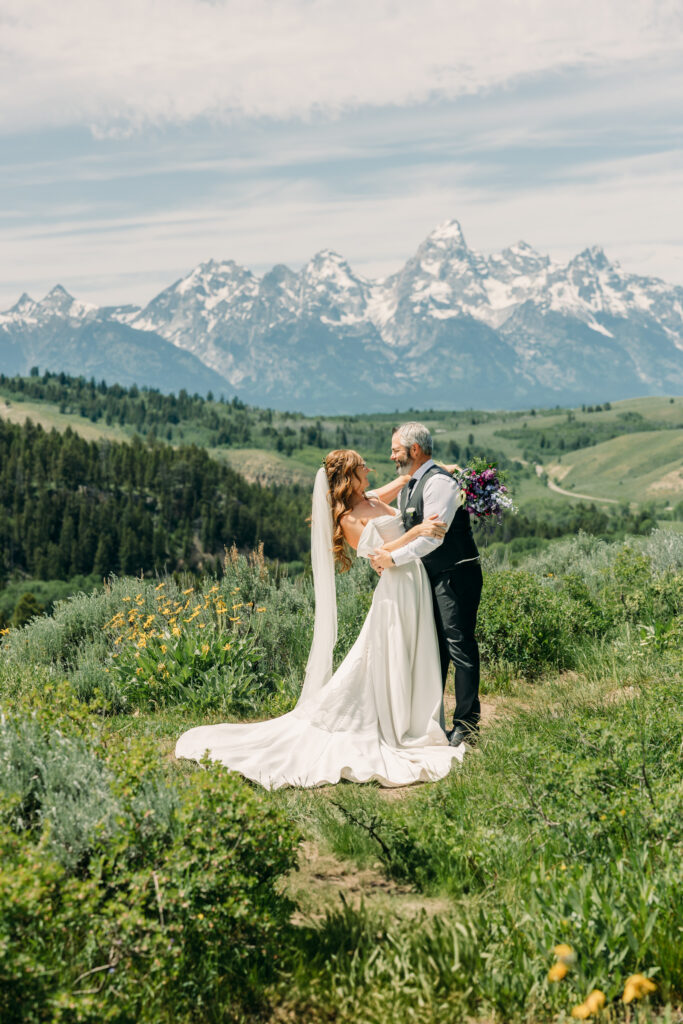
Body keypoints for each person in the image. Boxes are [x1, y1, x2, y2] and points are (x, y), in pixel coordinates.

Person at [175, 449, 466, 789]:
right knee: (391, 655)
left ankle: (413, 719)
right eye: (362, 467)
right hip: (396, 589)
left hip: (413, 582)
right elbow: (378, 555)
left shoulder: (371, 497)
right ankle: (394, 723)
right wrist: (417, 533)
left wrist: (440, 471)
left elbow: (405, 480)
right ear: (350, 476)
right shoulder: (347, 519)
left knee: (414, 653)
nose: (369, 469)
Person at [371, 423, 482, 747]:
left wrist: (394, 559)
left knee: (459, 647)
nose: (392, 455)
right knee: (434, 651)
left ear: (414, 450)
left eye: (396, 449)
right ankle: (432, 722)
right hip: (429, 579)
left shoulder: (439, 485)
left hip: (455, 573)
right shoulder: (411, 485)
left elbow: (433, 539)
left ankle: (467, 726)